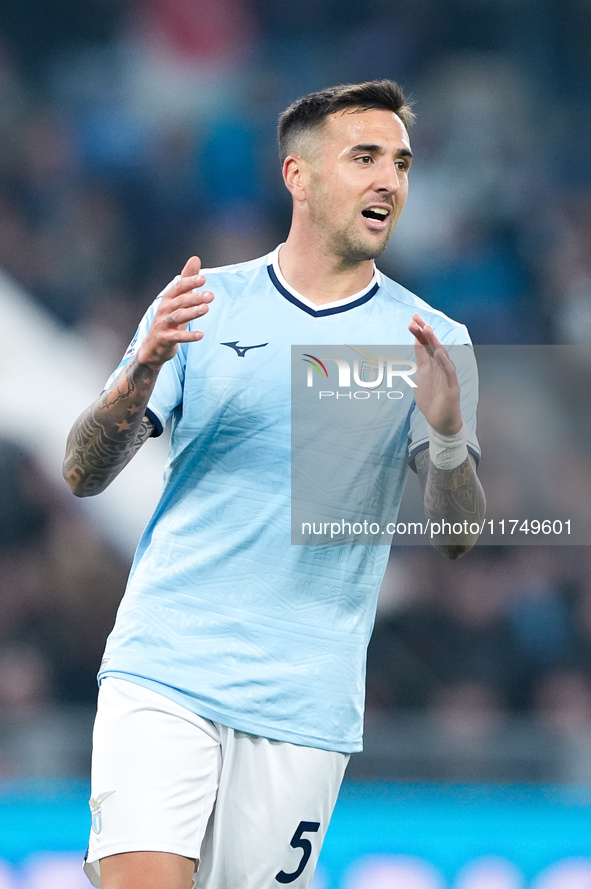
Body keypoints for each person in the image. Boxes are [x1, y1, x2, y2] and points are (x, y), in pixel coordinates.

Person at [63, 80, 485, 889]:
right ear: (298, 175)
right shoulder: (204, 304)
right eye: (363, 157)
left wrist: (446, 433)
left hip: (303, 700)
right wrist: (139, 374)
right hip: (166, 667)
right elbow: (83, 471)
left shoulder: (431, 338)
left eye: (399, 162)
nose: (387, 181)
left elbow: (459, 533)